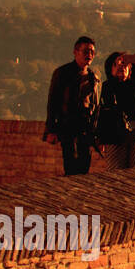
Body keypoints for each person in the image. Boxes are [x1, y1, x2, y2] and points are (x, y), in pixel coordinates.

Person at [43, 36, 101, 175]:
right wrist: (51, 129)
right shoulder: (62, 73)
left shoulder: (93, 77)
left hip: (85, 128)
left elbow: (96, 106)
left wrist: (97, 133)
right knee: (70, 165)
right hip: (67, 126)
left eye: (92, 52)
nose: (89, 55)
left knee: (84, 166)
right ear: (76, 52)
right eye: (86, 51)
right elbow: (53, 102)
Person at [96, 52, 135, 169]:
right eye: (116, 64)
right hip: (113, 135)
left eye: (124, 64)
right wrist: (100, 138)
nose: (121, 67)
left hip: (134, 134)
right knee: (115, 170)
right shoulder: (107, 87)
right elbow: (102, 114)